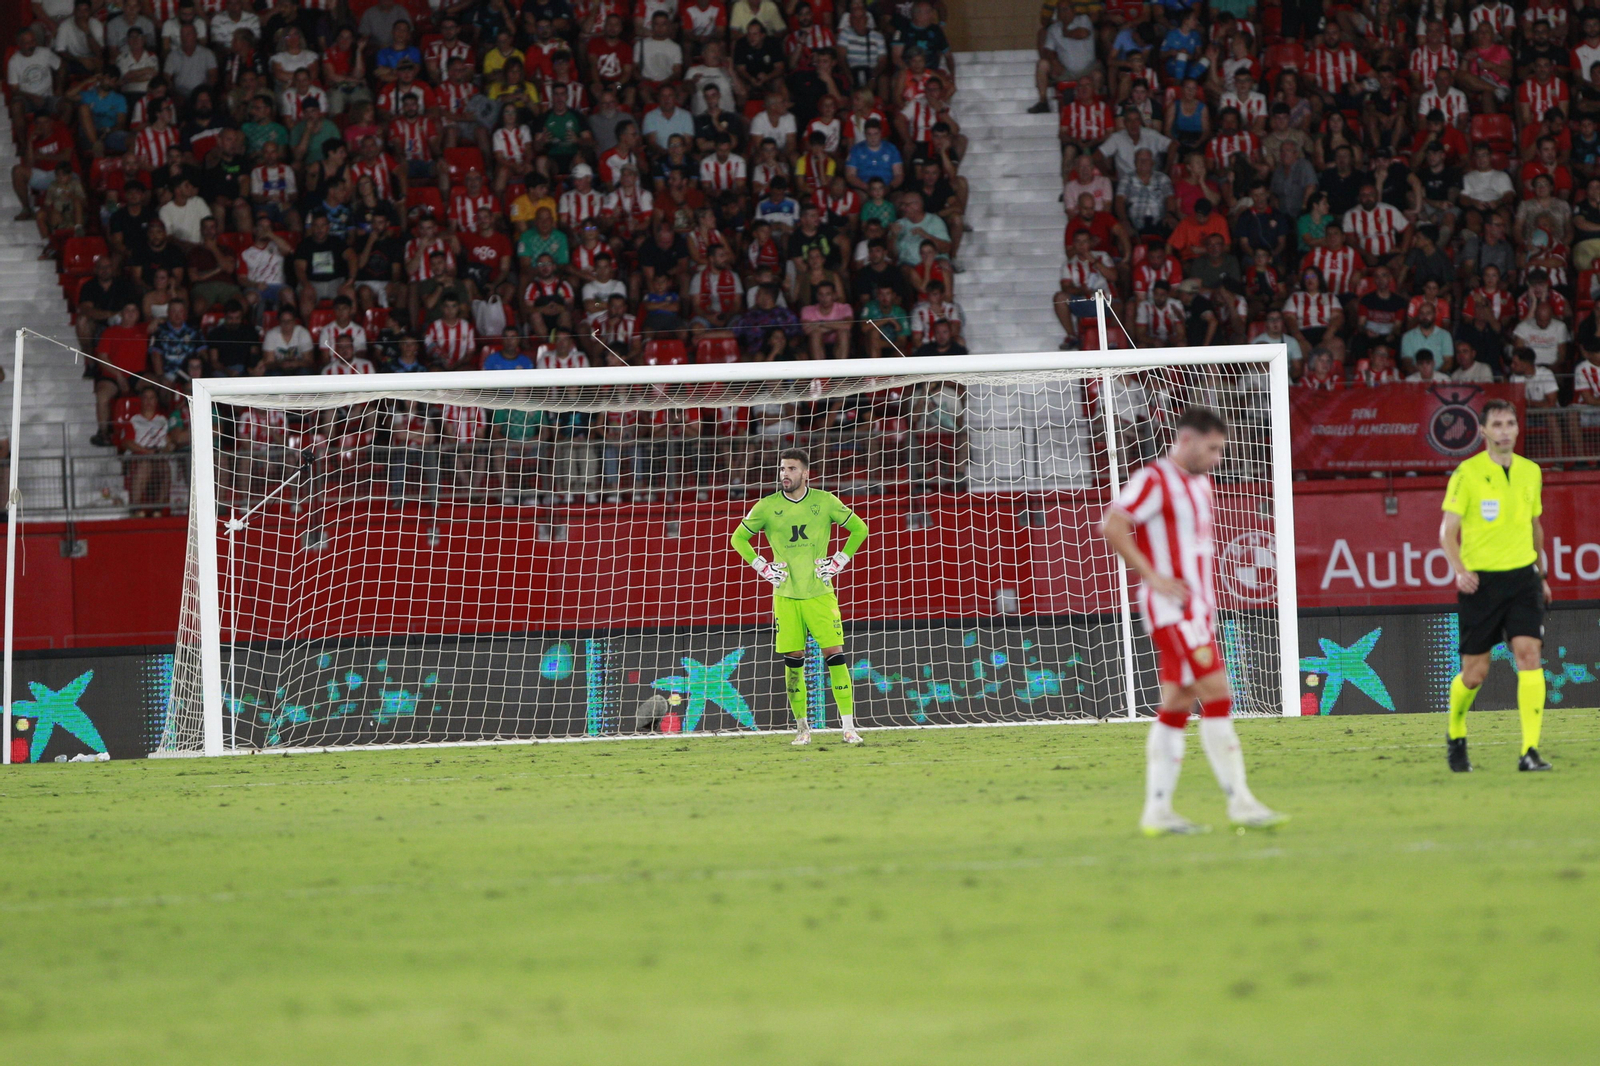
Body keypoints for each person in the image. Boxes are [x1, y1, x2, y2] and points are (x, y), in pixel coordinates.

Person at [1100, 406, 1288, 835]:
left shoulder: (1201, 485)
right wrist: (1152, 575)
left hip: (1198, 610)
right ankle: (1240, 802)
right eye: (1213, 448)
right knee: (1219, 695)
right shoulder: (1154, 479)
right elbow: (1113, 524)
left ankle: (1157, 812)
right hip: (1173, 610)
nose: (1218, 458)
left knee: (1177, 706)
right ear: (1186, 440)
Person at [1438, 399, 1552, 773]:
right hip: (1481, 584)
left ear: (1518, 429)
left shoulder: (1531, 472)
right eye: (1497, 424)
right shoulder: (1466, 474)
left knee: (1529, 655)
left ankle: (1530, 751)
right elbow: (1447, 534)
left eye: (1510, 423)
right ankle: (1456, 732)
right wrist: (1460, 570)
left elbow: (1535, 525)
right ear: (1483, 431)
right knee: (1475, 674)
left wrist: (1541, 573)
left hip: (1522, 579)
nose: (1504, 430)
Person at [729, 448, 870, 746]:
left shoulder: (824, 501)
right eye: (782, 469)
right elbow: (737, 538)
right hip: (786, 597)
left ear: (806, 473)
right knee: (794, 662)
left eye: (791, 469)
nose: (785, 474)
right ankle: (803, 728)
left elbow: (859, 528)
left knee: (835, 655)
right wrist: (762, 567)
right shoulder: (766, 506)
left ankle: (848, 727)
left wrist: (839, 560)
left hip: (820, 594)